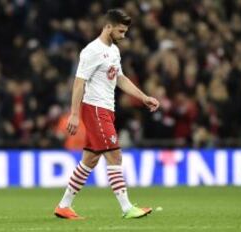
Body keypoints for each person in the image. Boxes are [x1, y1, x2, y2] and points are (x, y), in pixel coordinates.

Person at [54, 9, 160, 220]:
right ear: (108, 27)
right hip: (94, 109)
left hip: (106, 109)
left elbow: (120, 79)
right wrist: (74, 114)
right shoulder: (91, 50)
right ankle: (127, 207)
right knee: (115, 155)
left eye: (125, 31)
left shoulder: (113, 51)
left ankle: (64, 206)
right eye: (120, 31)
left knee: (90, 160)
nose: (124, 35)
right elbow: (79, 83)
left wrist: (143, 97)